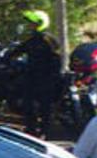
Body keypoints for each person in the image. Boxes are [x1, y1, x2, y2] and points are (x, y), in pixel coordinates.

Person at [10, 9, 60, 138]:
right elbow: (18, 50)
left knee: (44, 107)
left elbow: (57, 58)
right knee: (29, 104)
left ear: (40, 24)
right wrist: (6, 57)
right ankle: (31, 130)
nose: (30, 26)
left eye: (33, 23)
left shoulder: (48, 40)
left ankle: (44, 132)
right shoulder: (33, 39)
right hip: (33, 76)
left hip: (45, 78)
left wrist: (52, 76)